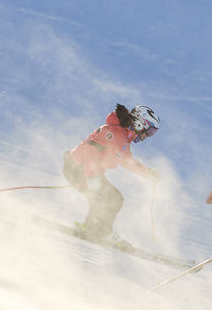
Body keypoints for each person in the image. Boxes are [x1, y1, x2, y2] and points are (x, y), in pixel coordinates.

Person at [62, 104, 160, 247]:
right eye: (149, 131)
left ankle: (94, 230)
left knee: (112, 198)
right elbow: (90, 152)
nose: (148, 136)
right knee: (108, 198)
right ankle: (97, 231)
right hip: (78, 169)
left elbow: (127, 161)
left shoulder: (123, 138)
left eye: (152, 133)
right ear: (139, 123)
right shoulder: (113, 133)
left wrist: (148, 173)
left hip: (86, 170)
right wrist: (92, 177)